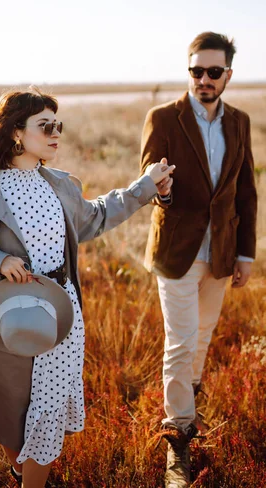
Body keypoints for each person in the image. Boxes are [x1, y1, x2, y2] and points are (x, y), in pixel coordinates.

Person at [0, 87, 175, 488]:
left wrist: (145, 187)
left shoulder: (60, 185)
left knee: (45, 416)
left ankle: (30, 480)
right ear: (15, 133)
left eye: (58, 125)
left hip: (61, 317)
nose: (56, 133)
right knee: (12, 411)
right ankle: (21, 469)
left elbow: (97, 216)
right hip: (3, 321)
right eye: (45, 126)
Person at [140, 32, 257, 488]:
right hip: (177, 252)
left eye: (213, 72)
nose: (203, 80)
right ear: (188, 71)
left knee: (203, 336)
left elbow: (246, 190)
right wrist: (161, 192)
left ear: (228, 74)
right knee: (182, 339)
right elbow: (149, 181)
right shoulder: (163, 118)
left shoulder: (240, 122)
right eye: (195, 71)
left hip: (222, 252)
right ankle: (179, 438)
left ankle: (187, 399)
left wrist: (245, 252)